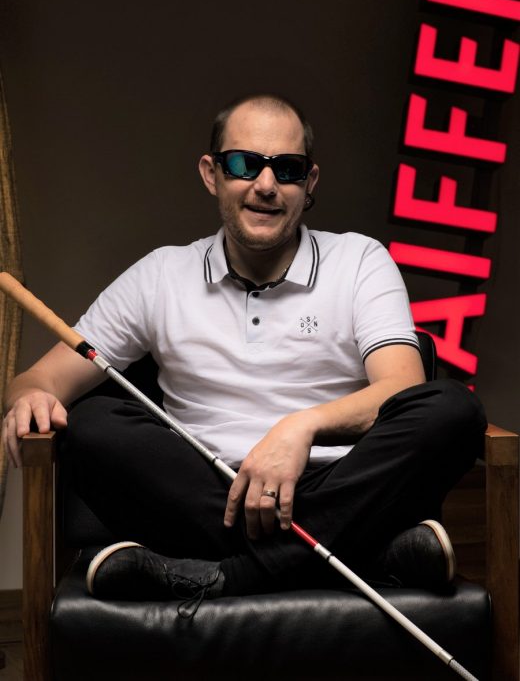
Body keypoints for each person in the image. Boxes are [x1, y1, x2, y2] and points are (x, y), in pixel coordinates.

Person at [2, 94, 486, 606]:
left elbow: (402, 388)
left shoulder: (360, 259)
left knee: (453, 408)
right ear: (211, 174)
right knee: (93, 423)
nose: (266, 184)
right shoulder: (160, 274)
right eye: (244, 164)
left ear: (309, 182)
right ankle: (363, 558)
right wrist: (29, 395)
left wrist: (300, 428)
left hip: (341, 483)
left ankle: (228, 577)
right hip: (211, 497)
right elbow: (38, 380)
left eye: (287, 168)